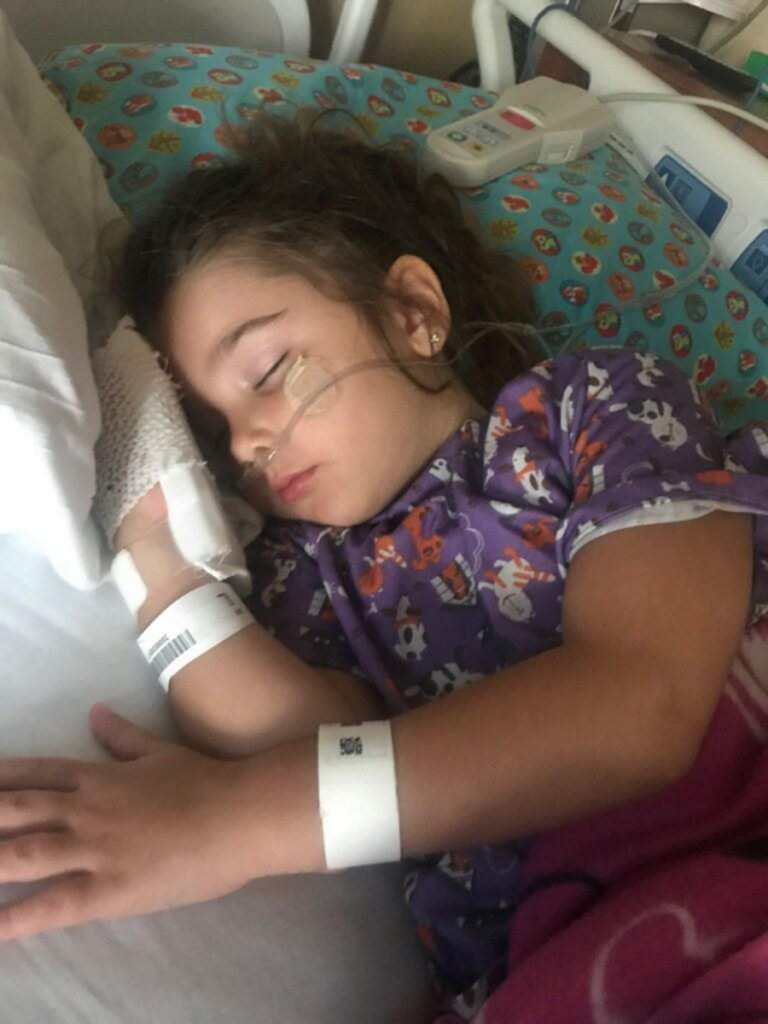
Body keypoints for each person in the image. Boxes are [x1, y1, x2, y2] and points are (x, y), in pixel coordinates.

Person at [2, 111, 768, 1021]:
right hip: (564, 956)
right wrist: (153, 547)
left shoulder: (588, 410)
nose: (244, 444)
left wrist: (227, 822)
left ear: (413, 311)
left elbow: (641, 702)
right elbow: (308, 751)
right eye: (209, 430)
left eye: (270, 369)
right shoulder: (298, 574)